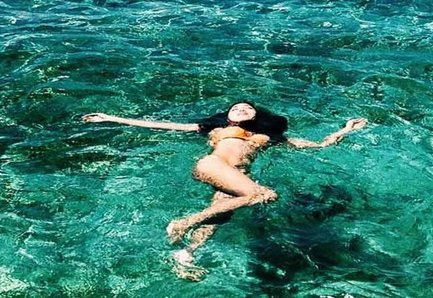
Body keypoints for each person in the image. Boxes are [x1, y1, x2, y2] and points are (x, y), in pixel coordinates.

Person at [83, 102, 368, 280]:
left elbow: (319, 145)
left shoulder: (270, 137)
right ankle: (183, 222)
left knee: (220, 216)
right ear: (228, 116)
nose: (242, 109)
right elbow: (164, 125)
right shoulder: (216, 129)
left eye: (248, 108)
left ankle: (187, 253)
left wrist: (345, 130)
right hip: (213, 165)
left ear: (257, 115)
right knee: (262, 194)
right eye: (236, 108)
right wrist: (112, 118)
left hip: (236, 177)